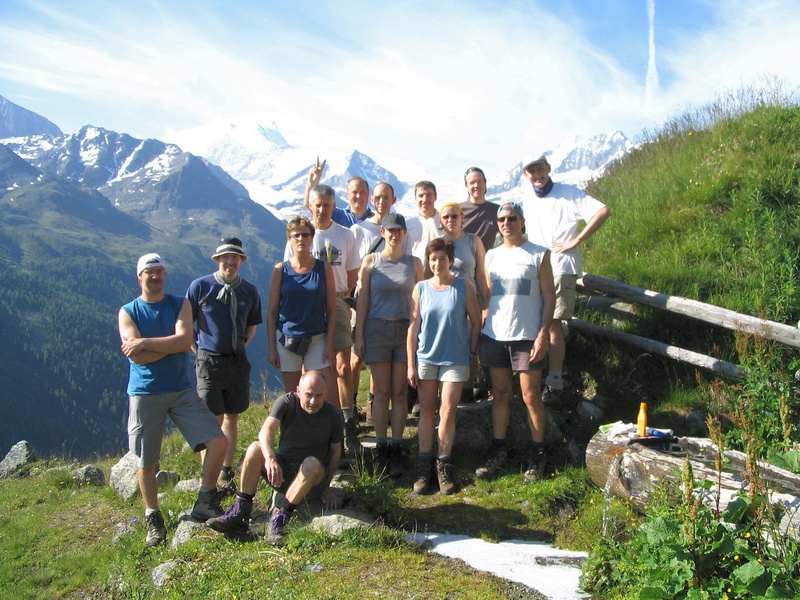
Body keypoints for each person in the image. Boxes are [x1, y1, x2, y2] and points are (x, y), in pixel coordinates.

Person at [118, 253, 228, 548]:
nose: (156, 277)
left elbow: (183, 342)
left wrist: (144, 343)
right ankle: (152, 516)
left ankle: (206, 499)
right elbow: (138, 358)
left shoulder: (180, 304)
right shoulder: (128, 312)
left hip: (181, 390)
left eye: (160, 271)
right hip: (144, 393)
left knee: (218, 441)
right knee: (147, 461)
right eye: (150, 272)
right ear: (139, 277)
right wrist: (169, 346)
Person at [207, 370, 343, 544]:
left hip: (312, 478)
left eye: (319, 396)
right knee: (255, 448)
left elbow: (335, 452)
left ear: (326, 394)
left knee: (311, 463)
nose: (313, 401)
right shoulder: (287, 402)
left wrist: (326, 486)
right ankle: (241, 510)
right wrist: (270, 458)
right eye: (308, 395)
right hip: (283, 472)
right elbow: (266, 431)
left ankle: (281, 517)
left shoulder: (334, 415)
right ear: (298, 391)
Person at [475, 203, 556, 484]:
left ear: (522, 221)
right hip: (495, 334)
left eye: (512, 218)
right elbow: (489, 295)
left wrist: (542, 333)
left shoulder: (538, 253)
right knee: (499, 393)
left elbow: (549, 296)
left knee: (530, 395)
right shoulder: (492, 256)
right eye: (501, 219)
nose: (506, 223)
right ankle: (499, 450)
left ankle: (538, 455)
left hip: (526, 335)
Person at [520, 153, 611, 396]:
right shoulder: (528, 198)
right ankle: (540, 373)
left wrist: (576, 240)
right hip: (537, 267)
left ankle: (555, 379)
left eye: (540, 169)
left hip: (561, 265)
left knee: (553, 322)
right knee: (539, 321)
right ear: (525, 174)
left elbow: (603, 211)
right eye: (532, 171)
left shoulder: (568, 193)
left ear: (548, 168)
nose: (537, 175)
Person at [286, 184, 361, 458]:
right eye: (317, 205)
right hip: (308, 304)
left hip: (337, 301)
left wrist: (341, 298)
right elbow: (289, 271)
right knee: (311, 366)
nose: (322, 210)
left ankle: (347, 423)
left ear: (334, 206)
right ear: (311, 205)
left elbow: (352, 273)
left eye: (327, 205)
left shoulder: (345, 235)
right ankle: (315, 424)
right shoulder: (302, 236)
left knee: (342, 366)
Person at [186, 237, 263, 492]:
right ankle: (209, 477)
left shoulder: (249, 291)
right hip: (209, 361)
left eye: (235, 257)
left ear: (241, 260)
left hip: (236, 361)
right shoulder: (200, 287)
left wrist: (239, 346)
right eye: (225, 257)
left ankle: (225, 470)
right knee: (211, 420)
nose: (230, 262)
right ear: (218, 260)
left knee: (232, 416)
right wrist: (199, 351)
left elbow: (251, 325)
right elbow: (186, 322)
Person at [407, 238, 481, 494]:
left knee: (447, 410)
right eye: (433, 259)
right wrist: (410, 363)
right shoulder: (420, 288)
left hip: (456, 358)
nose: (437, 263)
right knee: (427, 411)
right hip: (426, 357)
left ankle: (444, 464)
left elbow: (476, 321)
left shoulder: (463, 286)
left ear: (450, 260)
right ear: (428, 261)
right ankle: (423, 464)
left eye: (442, 259)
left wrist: (471, 352)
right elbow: (413, 328)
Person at [354, 213, 423, 477]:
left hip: (406, 331)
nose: (394, 235)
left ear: (404, 234)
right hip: (377, 329)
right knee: (381, 392)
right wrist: (359, 336)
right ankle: (381, 446)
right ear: (382, 233)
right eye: (390, 231)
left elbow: (421, 300)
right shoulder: (370, 261)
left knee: (400, 392)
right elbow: (363, 300)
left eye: (399, 231)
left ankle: (397, 445)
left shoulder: (414, 263)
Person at [349, 182, 413, 422]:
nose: (382, 202)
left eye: (386, 197)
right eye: (378, 197)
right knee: (360, 364)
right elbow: (355, 278)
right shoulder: (359, 232)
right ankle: (354, 412)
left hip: (400, 320)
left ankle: (378, 415)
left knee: (394, 386)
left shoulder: (410, 257)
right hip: (370, 312)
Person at [267, 216, 337, 393]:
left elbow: (331, 309)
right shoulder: (280, 270)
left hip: (317, 340)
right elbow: (272, 311)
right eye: (296, 235)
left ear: (312, 238)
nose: (301, 239)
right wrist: (272, 348)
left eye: (305, 235)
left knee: (327, 394)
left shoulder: (324, 268)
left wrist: (329, 345)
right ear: (289, 239)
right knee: (294, 396)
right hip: (287, 340)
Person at [439, 201, 491, 403]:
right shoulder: (438, 243)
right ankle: (445, 392)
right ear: (441, 220)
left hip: (470, 301)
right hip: (444, 303)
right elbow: (429, 276)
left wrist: (486, 304)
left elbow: (481, 275)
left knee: (471, 345)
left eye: (454, 216)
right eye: (446, 217)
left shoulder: (473, 240)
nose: (450, 220)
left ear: (462, 218)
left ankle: (467, 389)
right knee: (446, 346)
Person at [302, 157, 374, 226]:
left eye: (362, 192)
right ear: (347, 194)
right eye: (354, 192)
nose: (358, 196)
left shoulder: (375, 220)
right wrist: (311, 184)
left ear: (368, 193)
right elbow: (310, 204)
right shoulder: (337, 215)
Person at [460, 166, 500, 252]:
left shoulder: (496, 210)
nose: (476, 185)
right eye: (472, 183)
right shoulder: (457, 211)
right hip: (462, 259)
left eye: (479, 181)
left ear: (485, 183)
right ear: (466, 186)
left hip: (487, 259)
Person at [405, 181, 443, 265]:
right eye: (421, 195)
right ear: (415, 198)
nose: (425, 199)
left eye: (429, 195)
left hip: (438, 270)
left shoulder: (444, 222)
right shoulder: (408, 224)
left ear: (435, 197)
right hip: (413, 271)